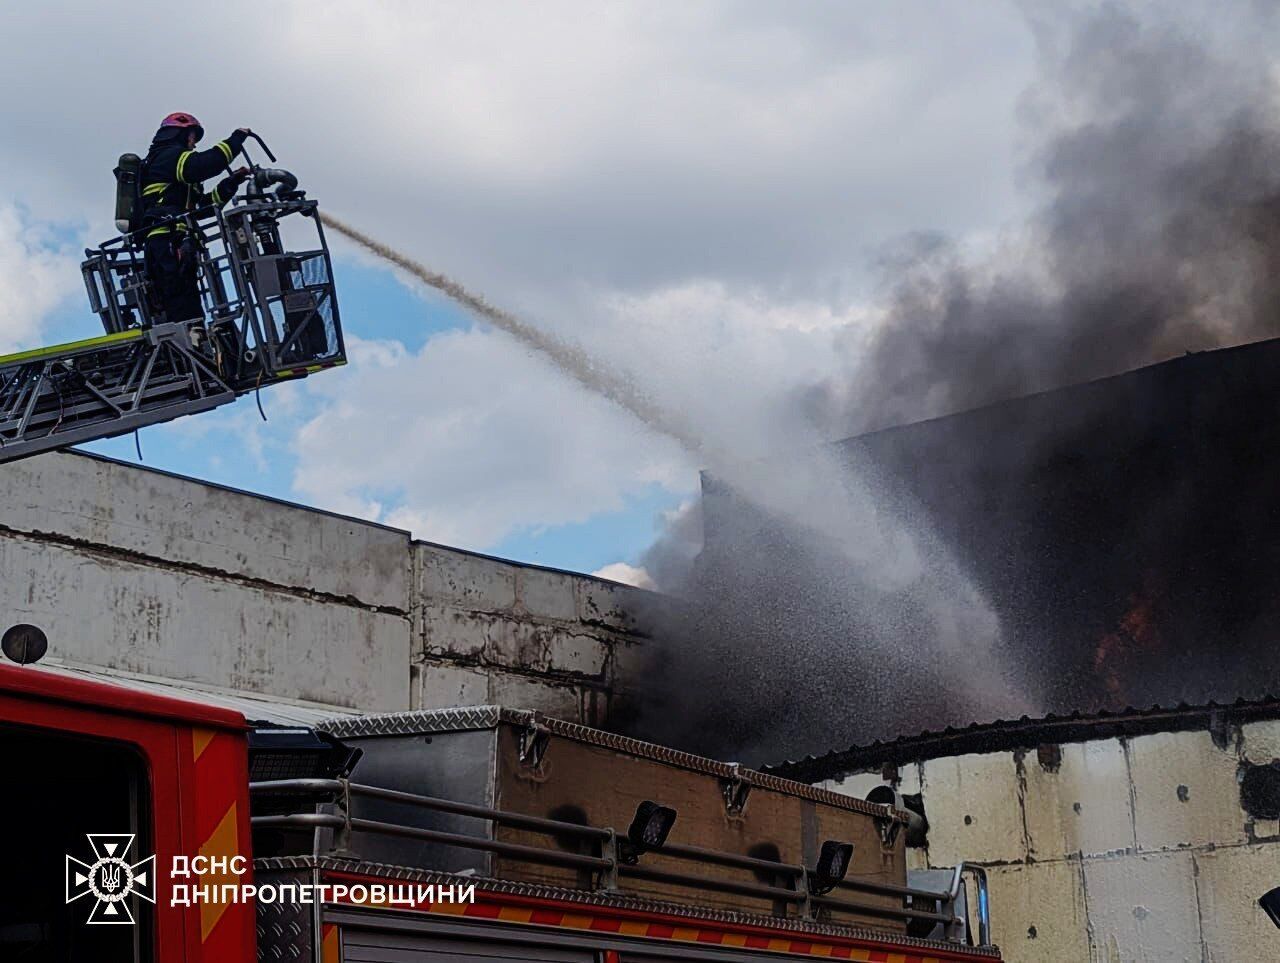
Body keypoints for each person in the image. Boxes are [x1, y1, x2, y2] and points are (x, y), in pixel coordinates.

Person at [139, 113, 253, 324]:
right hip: (166, 243)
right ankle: (189, 349)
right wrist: (236, 139)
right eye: (192, 137)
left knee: (189, 308)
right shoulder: (167, 157)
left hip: (177, 243)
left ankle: (197, 345)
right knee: (182, 308)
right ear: (178, 134)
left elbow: (201, 209)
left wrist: (231, 183)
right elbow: (205, 165)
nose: (193, 144)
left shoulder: (174, 168)